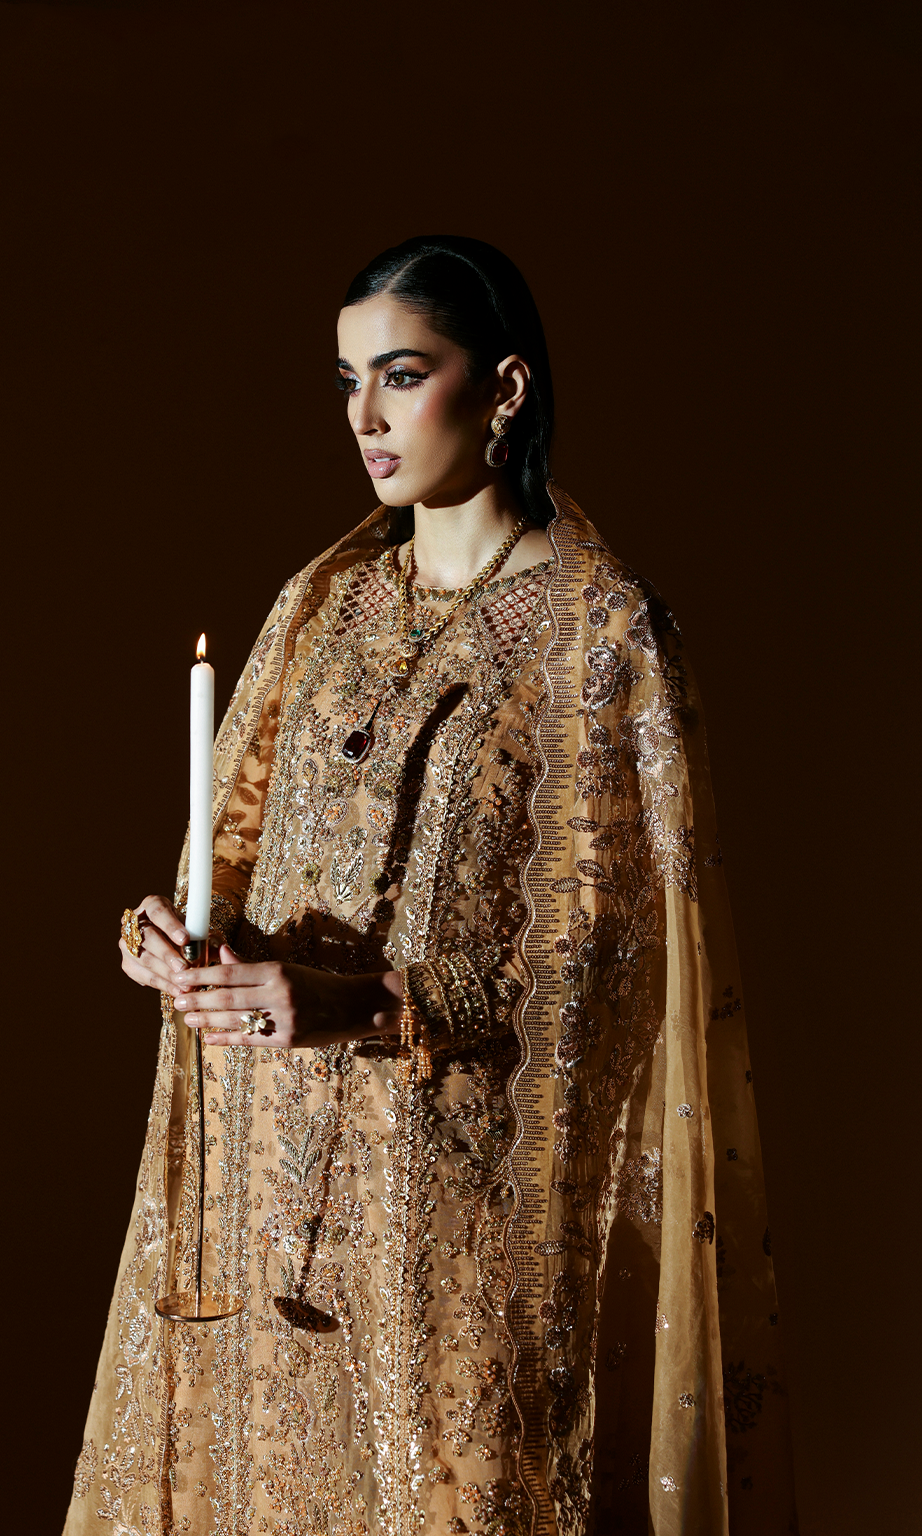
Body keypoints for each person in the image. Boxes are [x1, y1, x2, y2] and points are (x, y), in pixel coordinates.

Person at [65, 237, 796, 1536]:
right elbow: (233, 859)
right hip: (276, 1196)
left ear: (504, 387)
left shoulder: (599, 632)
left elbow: (613, 965)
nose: (365, 417)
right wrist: (181, 941)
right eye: (347, 381)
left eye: (401, 375)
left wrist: (359, 1002)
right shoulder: (325, 608)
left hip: (461, 1216)